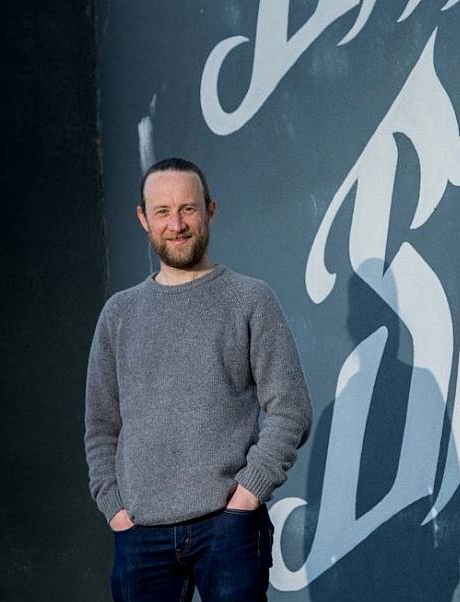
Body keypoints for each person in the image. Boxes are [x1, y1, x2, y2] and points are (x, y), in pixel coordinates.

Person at [84, 157, 313, 601]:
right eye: (163, 211)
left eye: (188, 209)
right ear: (143, 219)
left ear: (210, 209)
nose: (177, 224)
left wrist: (247, 495)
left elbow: (291, 409)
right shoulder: (119, 314)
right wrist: (115, 509)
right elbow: (100, 427)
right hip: (140, 536)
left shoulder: (249, 299)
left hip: (227, 527)